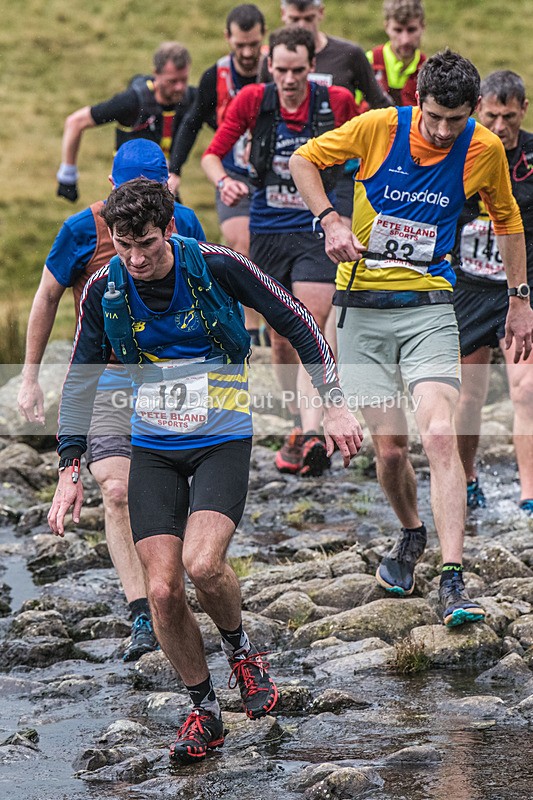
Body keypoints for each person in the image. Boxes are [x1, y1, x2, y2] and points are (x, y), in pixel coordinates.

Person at [46, 178, 363, 764]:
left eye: (145, 242)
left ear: (167, 229)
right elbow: (81, 377)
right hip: (155, 446)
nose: (136, 258)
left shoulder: (217, 265)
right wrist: (69, 466)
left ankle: (242, 650)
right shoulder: (103, 289)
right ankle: (205, 708)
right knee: (163, 588)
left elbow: (296, 319)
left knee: (202, 564)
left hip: (220, 437)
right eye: (123, 245)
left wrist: (334, 398)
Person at [289, 50, 533, 626]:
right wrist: (329, 218)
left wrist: (520, 302)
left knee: (442, 432)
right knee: (392, 449)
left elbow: (509, 222)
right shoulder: (378, 128)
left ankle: (453, 578)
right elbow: (304, 160)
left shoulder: (484, 148)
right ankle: (410, 532)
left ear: (474, 110)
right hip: (362, 308)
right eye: (433, 118)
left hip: (429, 305)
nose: (444, 131)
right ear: (415, 101)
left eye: (456, 120)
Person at [18, 140, 205, 662]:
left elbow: (216, 292)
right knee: (118, 490)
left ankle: (176, 581)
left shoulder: (184, 222)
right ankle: (142, 610)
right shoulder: (80, 229)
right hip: (108, 381)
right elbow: (45, 297)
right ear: (111, 189)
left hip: (176, 380)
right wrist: (29, 376)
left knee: (179, 488)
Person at [202, 26, 357, 477]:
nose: (289, 79)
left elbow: (364, 153)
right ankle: (297, 419)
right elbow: (213, 154)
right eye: (281, 70)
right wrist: (223, 182)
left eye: (298, 70)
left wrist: (341, 213)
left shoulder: (337, 103)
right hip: (267, 229)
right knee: (281, 337)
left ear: (312, 68)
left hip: (316, 227)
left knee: (310, 321)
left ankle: (312, 432)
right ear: (271, 66)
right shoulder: (252, 100)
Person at [453, 71, 533, 514]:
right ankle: (466, 478)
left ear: (523, 109)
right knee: (469, 396)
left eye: (508, 117)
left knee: (525, 391)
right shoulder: (460, 152)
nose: (500, 126)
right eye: (491, 116)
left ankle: (528, 494)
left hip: (519, 290)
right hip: (468, 289)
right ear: (478, 110)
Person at [168, 4, 267, 342]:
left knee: (272, 248)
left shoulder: (279, 67)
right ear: (228, 38)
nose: (248, 52)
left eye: (254, 44)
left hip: (275, 177)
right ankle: (252, 330)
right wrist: (174, 169)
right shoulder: (217, 76)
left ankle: (279, 320)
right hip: (232, 172)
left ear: (263, 37)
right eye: (240, 45)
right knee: (240, 242)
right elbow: (192, 121)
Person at [261, 0, 390, 225]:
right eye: (294, 19)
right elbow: (261, 110)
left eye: (308, 19)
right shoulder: (275, 58)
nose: (301, 26)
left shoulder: (348, 54)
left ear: (320, 13)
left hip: (338, 167)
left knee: (338, 238)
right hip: (286, 168)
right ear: (283, 15)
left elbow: (381, 105)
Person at [56, 42, 194, 202]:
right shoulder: (133, 101)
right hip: (129, 192)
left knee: (185, 224)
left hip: (164, 186)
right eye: (173, 81)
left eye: (184, 80)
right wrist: (68, 176)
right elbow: (76, 121)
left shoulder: (190, 99)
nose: (180, 87)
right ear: (156, 73)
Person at [365, 0, 426, 107]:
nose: (405, 40)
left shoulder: (429, 70)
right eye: (398, 30)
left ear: (422, 26)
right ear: (386, 27)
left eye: (411, 30)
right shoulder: (367, 62)